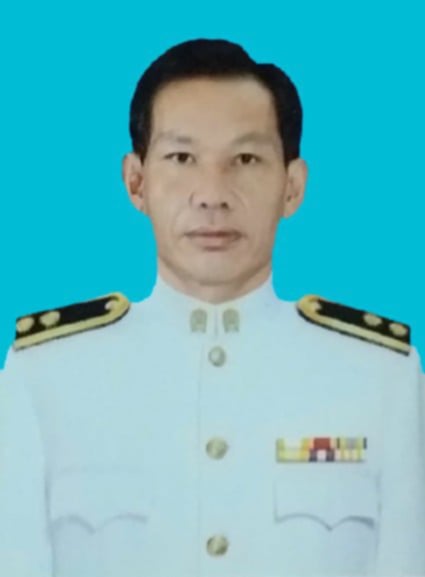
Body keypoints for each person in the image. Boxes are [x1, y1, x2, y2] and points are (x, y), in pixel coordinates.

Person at [1, 38, 424, 577]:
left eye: (245, 159)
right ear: (136, 182)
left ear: (292, 187)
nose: (212, 194)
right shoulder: (44, 376)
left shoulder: (382, 376)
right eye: (182, 158)